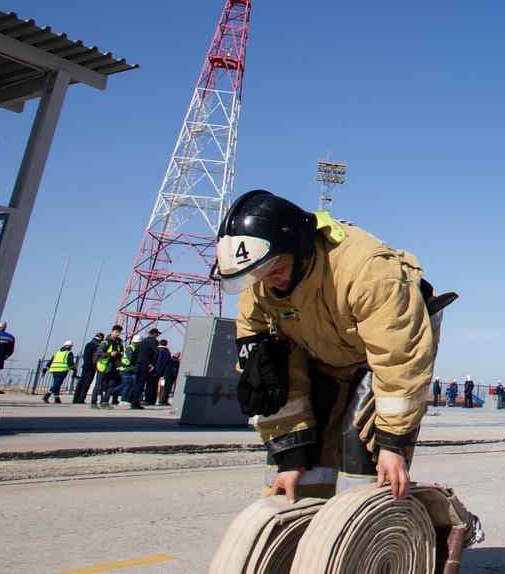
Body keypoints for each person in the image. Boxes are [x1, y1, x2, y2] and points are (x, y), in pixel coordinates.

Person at [211, 190, 456, 502]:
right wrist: (291, 455)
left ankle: (373, 536)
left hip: (381, 358)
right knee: (299, 462)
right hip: (324, 355)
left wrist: (393, 442)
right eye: (260, 276)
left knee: (362, 451)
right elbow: (271, 378)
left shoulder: (367, 270)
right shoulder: (259, 289)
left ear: (298, 249)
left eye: (277, 271)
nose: (271, 283)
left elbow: (399, 359)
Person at [127, 328, 160, 409]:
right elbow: (156, 353)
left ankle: (131, 399)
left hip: (138, 364)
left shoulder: (142, 342)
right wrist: (153, 364)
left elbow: (134, 354)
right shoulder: (153, 342)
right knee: (141, 383)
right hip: (146, 364)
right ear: (154, 334)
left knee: (137, 382)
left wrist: (135, 363)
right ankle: (135, 402)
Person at [92, 328, 124, 408]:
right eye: (116, 332)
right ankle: (93, 402)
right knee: (99, 385)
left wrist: (119, 354)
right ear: (112, 332)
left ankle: (105, 402)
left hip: (113, 368)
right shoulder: (105, 342)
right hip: (103, 367)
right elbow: (99, 354)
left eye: (119, 332)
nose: (118, 334)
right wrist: (110, 354)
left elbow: (120, 354)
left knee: (111, 386)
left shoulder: (119, 343)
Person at [73, 332, 104, 404]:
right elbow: (97, 356)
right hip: (91, 367)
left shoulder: (88, 343)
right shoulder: (97, 345)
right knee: (86, 383)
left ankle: (75, 399)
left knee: (81, 382)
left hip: (85, 366)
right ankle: (81, 399)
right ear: (101, 338)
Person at [147, 338, 171, 405]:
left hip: (154, 370)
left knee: (150, 385)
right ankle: (153, 400)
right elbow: (168, 362)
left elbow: (157, 360)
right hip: (161, 371)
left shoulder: (159, 350)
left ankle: (148, 399)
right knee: (155, 386)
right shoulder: (167, 352)